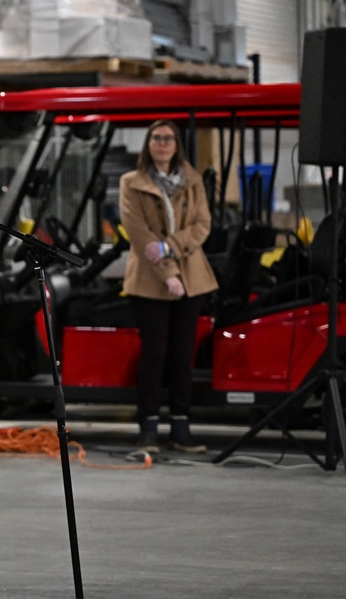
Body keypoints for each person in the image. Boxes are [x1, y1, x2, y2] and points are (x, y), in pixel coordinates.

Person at [119, 119, 218, 454]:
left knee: (181, 356)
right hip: (149, 281)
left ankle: (180, 427)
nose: (161, 144)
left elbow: (203, 224)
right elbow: (139, 234)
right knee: (155, 354)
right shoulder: (131, 183)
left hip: (192, 279)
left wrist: (170, 247)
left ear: (177, 145)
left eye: (168, 139)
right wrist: (168, 274)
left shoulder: (193, 181)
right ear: (148, 144)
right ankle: (148, 428)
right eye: (155, 138)